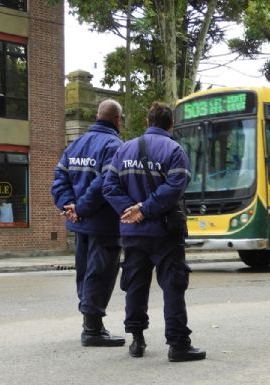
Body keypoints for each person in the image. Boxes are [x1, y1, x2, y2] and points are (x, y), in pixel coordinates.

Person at [102, 102, 205, 362]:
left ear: (148, 122)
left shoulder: (123, 149)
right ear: (171, 124)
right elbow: (174, 188)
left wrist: (131, 211)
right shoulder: (175, 150)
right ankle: (178, 344)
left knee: (135, 286)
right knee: (173, 286)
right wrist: (144, 209)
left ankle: (136, 340)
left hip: (133, 232)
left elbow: (109, 186)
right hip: (165, 233)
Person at [51, 99, 126, 347]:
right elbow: (106, 183)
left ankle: (90, 322)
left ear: (97, 116)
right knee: (101, 273)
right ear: (117, 119)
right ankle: (92, 329)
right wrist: (81, 207)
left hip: (79, 223)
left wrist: (68, 206)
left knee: (84, 272)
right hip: (103, 224)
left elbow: (59, 177)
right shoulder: (115, 145)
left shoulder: (76, 145)